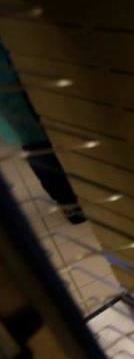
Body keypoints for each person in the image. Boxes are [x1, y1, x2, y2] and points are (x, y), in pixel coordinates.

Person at [0, 44, 84, 224]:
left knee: (46, 145)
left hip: (27, 84)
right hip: (14, 103)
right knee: (39, 149)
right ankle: (69, 203)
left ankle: (71, 202)